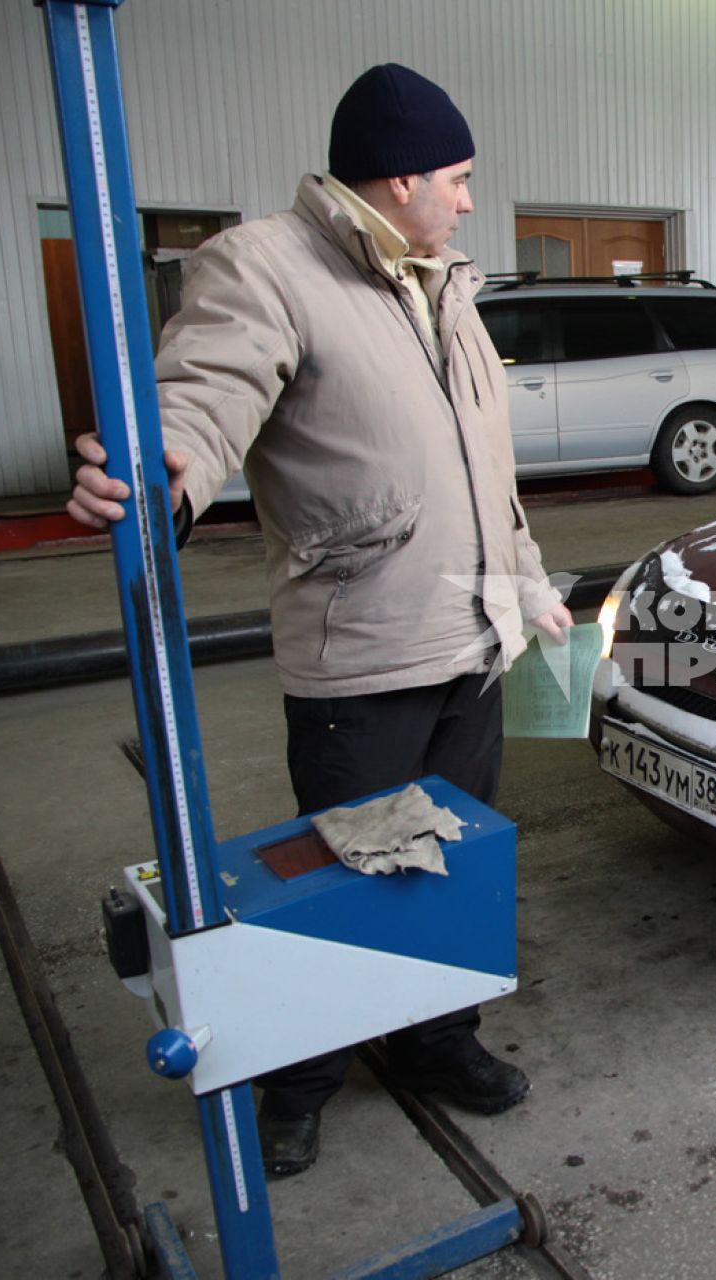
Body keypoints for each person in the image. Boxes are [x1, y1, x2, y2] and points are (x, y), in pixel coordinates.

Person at [67, 63, 573, 1178]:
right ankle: (296, 1076)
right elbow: (203, 392)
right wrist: (161, 468)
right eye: (458, 177)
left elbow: (488, 478)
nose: (470, 199)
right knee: (351, 882)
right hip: (366, 654)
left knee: (452, 872)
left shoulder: (444, 285)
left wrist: (528, 580)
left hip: (474, 644)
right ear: (398, 180)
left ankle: (436, 1039)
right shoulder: (267, 266)